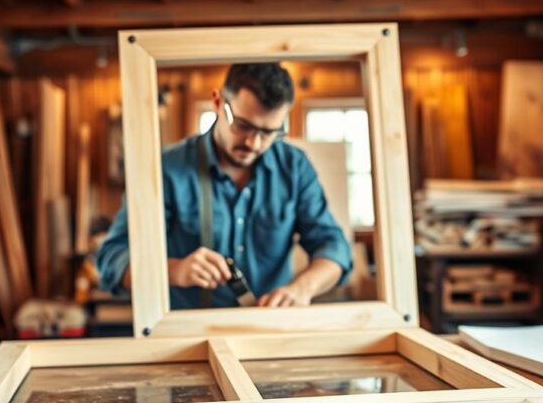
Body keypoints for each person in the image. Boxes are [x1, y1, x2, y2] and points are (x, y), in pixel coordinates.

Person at [96, 63, 352, 309]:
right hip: (186, 336)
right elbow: (111, 260)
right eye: (243, 126)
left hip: (269, 331)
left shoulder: (294, 168)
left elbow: (334, 248)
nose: (254, 143)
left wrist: (302, 288)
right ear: (218, 103)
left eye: (268, 132)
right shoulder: (166, 170)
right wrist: (174, 270)